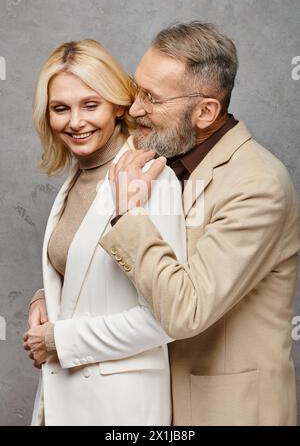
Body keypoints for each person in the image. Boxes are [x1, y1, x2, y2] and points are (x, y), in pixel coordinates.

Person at [100, 22, 300, 426]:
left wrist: (127, 215)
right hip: (153, 407)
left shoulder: (258, 185)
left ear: (206, 111)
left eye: (151, 98)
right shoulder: (161, 155)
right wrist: (47, 297)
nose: (134, 109)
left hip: (228, 414)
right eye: (136, 89)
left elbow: (185, 311)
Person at [22, 39, 186, 426]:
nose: (75, 121)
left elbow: (165, 318)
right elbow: (86, 272)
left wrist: (57, 340)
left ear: (118, 105)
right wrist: (46, 294)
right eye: (61, 108)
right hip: (62, 399)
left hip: (120, 411)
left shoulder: (152, 180)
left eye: (90, 105)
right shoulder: (76, 179)